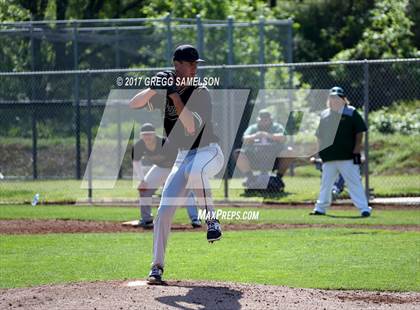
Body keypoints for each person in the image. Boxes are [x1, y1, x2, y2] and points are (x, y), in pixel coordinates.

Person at [129, 44, 224, 284]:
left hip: (208, 152)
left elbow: (191, 127)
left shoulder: (201, 92)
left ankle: (211, 219)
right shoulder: (165, 88)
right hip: (182, 156)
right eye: (189, 64)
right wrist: (153, 87)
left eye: (195, 64)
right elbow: (135, 103)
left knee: (195, 171)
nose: (194, 68)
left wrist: (173, 94)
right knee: (163, 212)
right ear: (177, 64)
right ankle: (156, 268)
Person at [310, 86, 372, 217]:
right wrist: (318, 153)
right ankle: (320, 208)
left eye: (338, 98)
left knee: (354, 182)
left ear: (344, 99)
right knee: (326, 184)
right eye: (332, 98)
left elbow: (360, 132)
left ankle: (364, 209)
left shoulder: (351, 112)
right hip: (329, 157)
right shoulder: (325, 114)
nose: (335, 100)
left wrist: (356, 149)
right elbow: (319, 136)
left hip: (347, 157)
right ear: (329, 100)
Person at [132, 123, 202, 229]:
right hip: (160, 168)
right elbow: (136, 162)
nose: (147, 137)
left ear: (155, 135)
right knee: (144, 189)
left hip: (176, 167)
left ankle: (195, 219)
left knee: (186, 190)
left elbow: (181, 158)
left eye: (150, 134)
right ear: (141, 136)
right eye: (144, 134)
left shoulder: (165, 143)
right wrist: (142, 180)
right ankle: (146, 219)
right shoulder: (139, 145)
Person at [235, 109, 294, 192]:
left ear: (270, 119)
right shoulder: (253, 128)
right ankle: (250, 178)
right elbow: (244, 139)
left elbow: (283, 137)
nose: (263, 121)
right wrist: (256, 135)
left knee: (289, 151)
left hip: (274, 159)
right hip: (255, 158)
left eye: (266, 119)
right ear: (258, 119)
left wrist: (268, 135)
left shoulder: (277, 127)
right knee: (238, 153)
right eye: (261, 119)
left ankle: (278, 178)